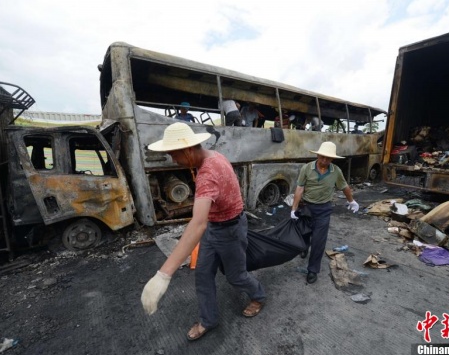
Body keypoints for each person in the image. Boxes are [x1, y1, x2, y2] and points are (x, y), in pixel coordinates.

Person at [141, 122, 266, 341]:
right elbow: (203, 222)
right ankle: (209, 320)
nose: (173, 159)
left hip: (230, 230)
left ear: (188, 150)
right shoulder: (212, 155)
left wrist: (163, 275)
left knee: (236, 277)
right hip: (215, 226)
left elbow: (197, 224)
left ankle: (258, 296)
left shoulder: (208, 173)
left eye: (174, 154)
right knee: (203, 274)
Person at [290, 141, 359, 284]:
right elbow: (300, 188)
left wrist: (351, 201)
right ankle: (304, 246)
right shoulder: (307, 168)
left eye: (328, 158)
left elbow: (344, 187)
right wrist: (294, 208)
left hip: (324, 209)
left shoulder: (336, 171)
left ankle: (312, 270)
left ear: (332, 159)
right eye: (322, 157)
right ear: (318, 155)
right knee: (304, 233)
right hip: (307, 207)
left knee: (319, 241)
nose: (324, 160)